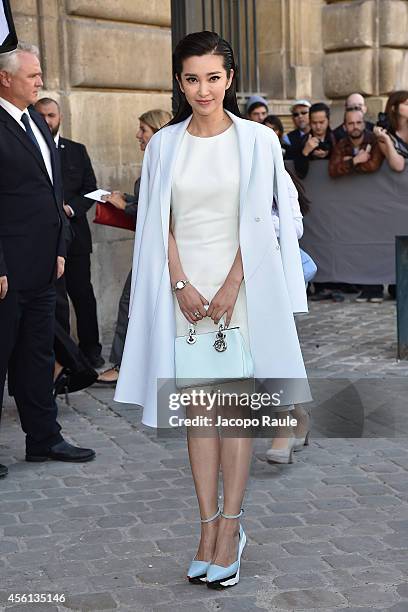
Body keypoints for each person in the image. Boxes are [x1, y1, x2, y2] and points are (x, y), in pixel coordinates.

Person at [114, 30, 310, 588]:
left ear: (230, 78)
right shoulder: (164, 145)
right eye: (192, 78)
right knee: (200, 417)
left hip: (240, 292)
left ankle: (232, 527)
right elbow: (158, 222)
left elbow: (268, 222)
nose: (204, 88)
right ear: (180, 81)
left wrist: (231, 285)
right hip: (183, 293)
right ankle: (206, 528)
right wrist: (179, 283)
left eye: (214, 77)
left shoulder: (258, 141)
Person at [0, 43, 95, 479]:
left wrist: (61, 245)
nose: (40, 81)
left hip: (44, 264)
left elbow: (53, 189)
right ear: (6, 77)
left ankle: (44, 438)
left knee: (37, 356)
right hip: (6, 270)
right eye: (33, 75)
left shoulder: (36, 118)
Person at [97, 109, 172, 385]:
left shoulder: (165, 163)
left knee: (131, 302)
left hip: (160, 251)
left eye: (143, 129)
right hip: (153, 249)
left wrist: (124, 206)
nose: (137, 135)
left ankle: (122, 366)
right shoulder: (158, 160)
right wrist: (126, 199)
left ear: (157, 131)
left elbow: (160, 211)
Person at [34, 97, 104, 369]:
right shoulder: (30, 149)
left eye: (51, 115)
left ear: (60, 117)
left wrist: (70, 209)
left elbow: (91, 189)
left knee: (83, 294)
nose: (47, 120)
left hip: (75, 237)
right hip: (44, 240)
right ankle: (63, 358)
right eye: (41, 115)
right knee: (56, 300)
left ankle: (91, 351)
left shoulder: (76, 150)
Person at [329, 109, 383, 177]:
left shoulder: (374, 140)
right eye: (351, 123)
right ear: (344, 127)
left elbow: (373, 166)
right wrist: (355, 160)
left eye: (359, 122)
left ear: (364, 124)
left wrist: (347, 163)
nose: (355, 127)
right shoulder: (341, 144)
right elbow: (333, 170)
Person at [293, 102, 335, 179]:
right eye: (314, 123)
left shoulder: (336, 138)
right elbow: (299, 174)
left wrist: (329, 153)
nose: (318, 127)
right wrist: (305, 152)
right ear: (309, 122)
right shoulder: (302, 141)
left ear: (328, 121)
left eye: (321, 122)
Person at [374, 90, 408, 173]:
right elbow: (398, 166)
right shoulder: (385, 133)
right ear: (393, 108)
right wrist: (387, 140)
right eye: (407, 104)